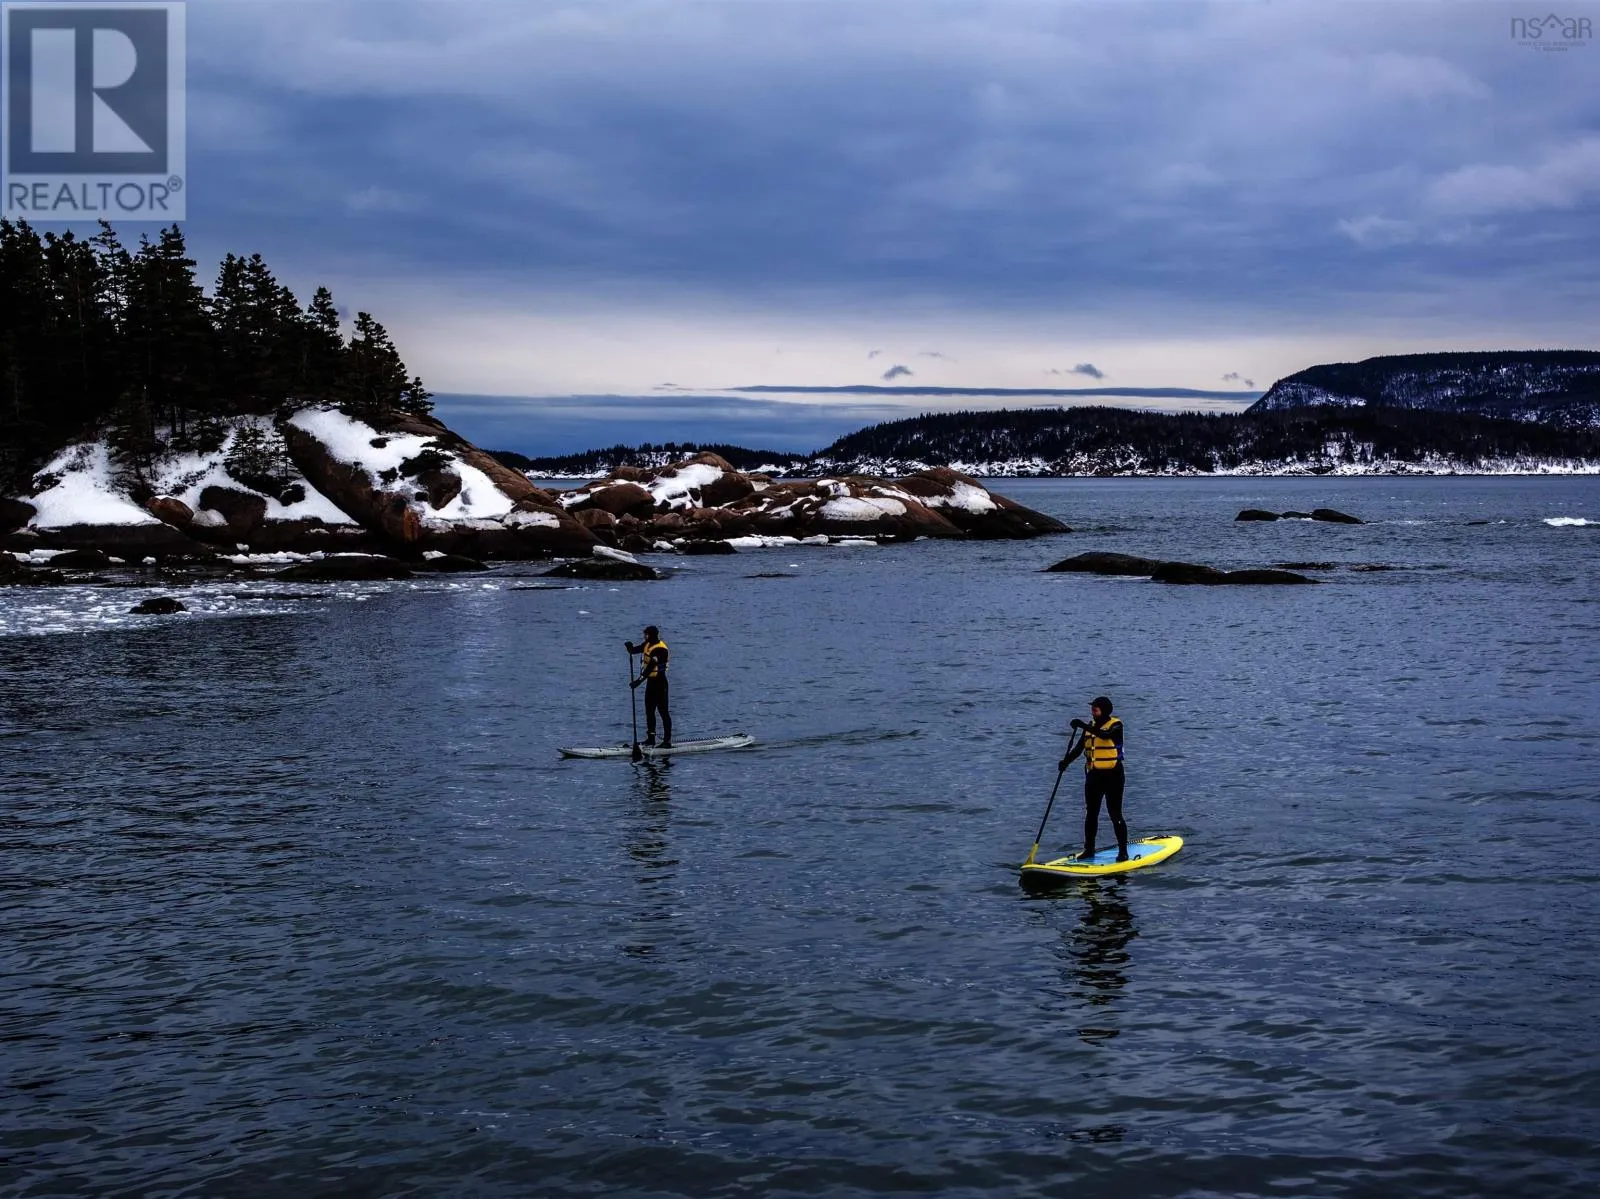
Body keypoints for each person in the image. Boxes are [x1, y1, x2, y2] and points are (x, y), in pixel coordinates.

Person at [1058, 695, 1127, 862]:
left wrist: (1082, 725)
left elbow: (1105, 735)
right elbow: (1078, 749)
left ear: (1105, 710)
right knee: (1091, 814)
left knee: (1115, 813)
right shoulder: (1090, 727)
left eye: (1096, 708)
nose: (1092, 710)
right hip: (1094, 776)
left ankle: (1123, 852)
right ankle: (1089, 850)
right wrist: (1065, 762)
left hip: (1113, 776)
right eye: (1092, 708)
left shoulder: (1116, 725)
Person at [624, 625, 672, 748]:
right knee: (649, 711)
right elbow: (635, 650)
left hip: (660, 683)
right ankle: (651, 739)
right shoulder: (647, 644)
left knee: (663, 712)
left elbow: (650, 667)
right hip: (651, 683)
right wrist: (629, 648)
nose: (644, 636)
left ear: (651, 635)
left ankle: (667, 741)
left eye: (646, 634)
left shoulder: (661, 650)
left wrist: (638, 681)